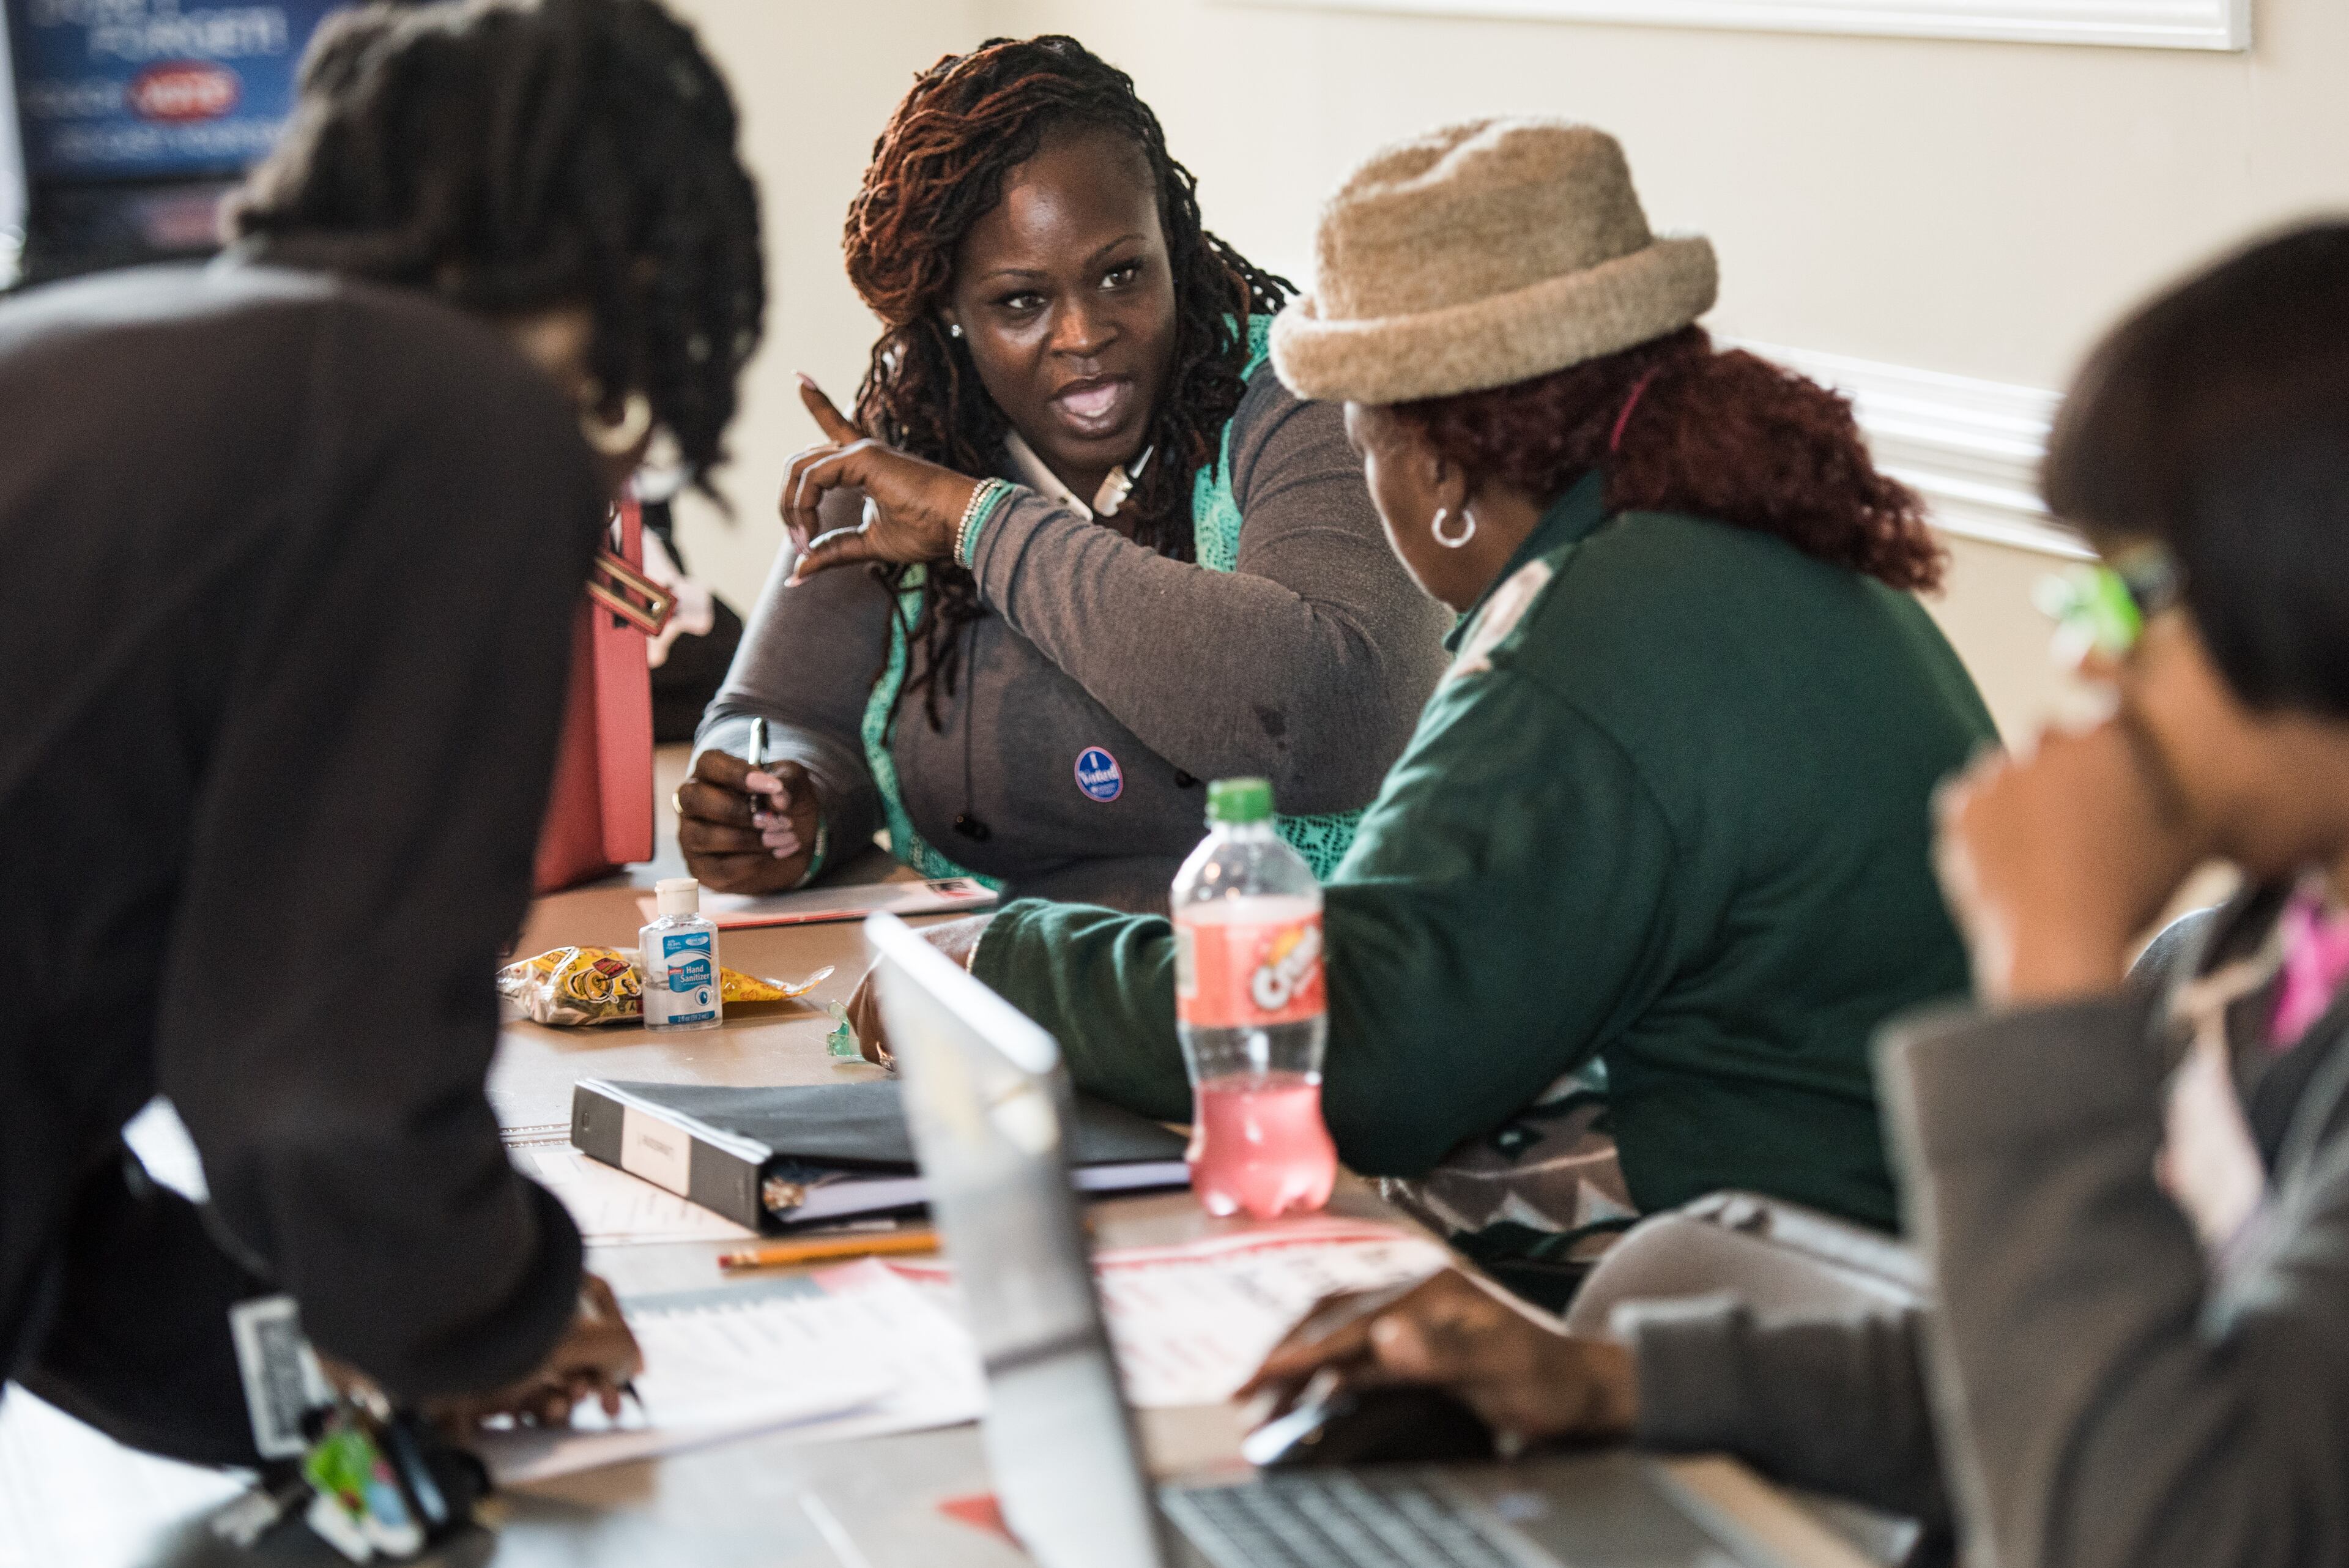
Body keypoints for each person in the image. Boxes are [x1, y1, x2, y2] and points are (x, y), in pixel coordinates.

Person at [1244, 224, 2349, 1568]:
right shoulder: (2242, 961)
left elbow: (2156, 1526)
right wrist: (1604, 1383)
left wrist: (2052, 971)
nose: (2099, 669)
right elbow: (2013, 1373)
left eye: (2137, 598)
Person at [851, 121, 1998, 1269]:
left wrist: (1002, 965)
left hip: (1786, 1284)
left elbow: (1369, 1053)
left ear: (1441, 473)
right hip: (1891, 1223)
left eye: (1362, 448)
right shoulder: (1724, 545)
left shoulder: (1593, 633)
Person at [0, 0, 762, 1462]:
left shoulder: (126, 342)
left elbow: (64, 1179)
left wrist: (332, 1382)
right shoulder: (437, 415)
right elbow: (316, 1089)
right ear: (640, 257)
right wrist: (499, 1306)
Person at [678, 35, 1449, 913]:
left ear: (1177, 246)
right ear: (952, 313)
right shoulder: (921, 440)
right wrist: (778, 804)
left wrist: (981, 523)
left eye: (1122, 275)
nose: (1083, 335)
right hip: (994, 1000)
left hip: (1276, 991)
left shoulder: (1305, 399)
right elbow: (785, 715)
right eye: (1021, 302)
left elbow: (1331, 712)